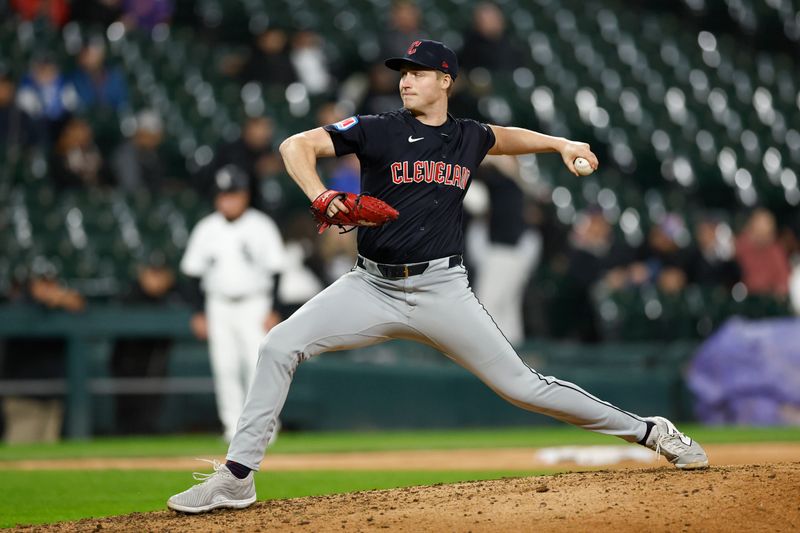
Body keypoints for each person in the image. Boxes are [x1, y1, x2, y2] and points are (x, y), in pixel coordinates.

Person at [167, 40, 708, 514]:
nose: (406, 80)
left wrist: (561, 144)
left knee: (524, 387)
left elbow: (505, 136)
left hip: (441, 290)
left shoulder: (467, 137)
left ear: (445, 81)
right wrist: (321, 194)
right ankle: (237, 479)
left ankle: (651, 431)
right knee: (279, 345)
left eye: (418, 72)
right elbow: (295, 146)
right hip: (370, 285)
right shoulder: (378, 129)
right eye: (403, 72)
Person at [179, 165, 287, 443]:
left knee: (257, 366)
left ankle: (265, 429)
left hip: (255, 303)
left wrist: (274, 308)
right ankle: (232, 428)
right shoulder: (207, 228)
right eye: (224, 194)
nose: (228, 200)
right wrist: (198, 313)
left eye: (234, 194)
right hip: (218, 305)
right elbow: (191, 274)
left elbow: (277, 271)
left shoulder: (261, 225)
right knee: (224, 366)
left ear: (245, 195)